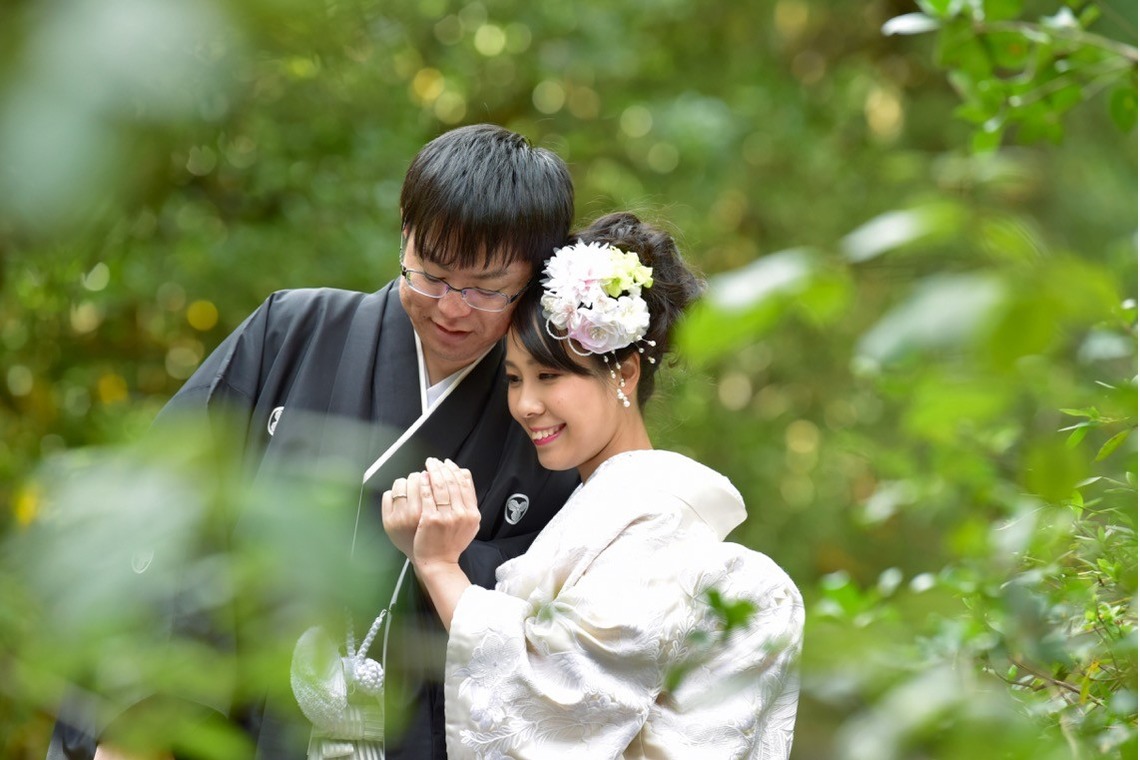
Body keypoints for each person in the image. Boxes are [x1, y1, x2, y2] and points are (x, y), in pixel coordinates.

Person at [47, 124, 581, 760]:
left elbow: (556, 624)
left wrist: (458, 561)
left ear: (534, 278)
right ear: (403, 234)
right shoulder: (291, 332)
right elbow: (162, 509)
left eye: (487, 289)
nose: (452, 309)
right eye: (430, 274)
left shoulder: (541, 417)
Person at [382, 212, 804, 759]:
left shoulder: (656, 519)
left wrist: (439, 567)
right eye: (513, 379)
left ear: (623, 372)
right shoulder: (593, 509)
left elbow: (563, 705)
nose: (526, 404)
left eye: (549, 376)